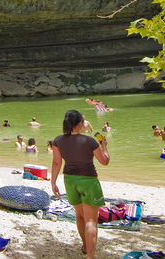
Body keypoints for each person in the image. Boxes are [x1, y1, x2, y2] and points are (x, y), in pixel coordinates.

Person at [51, 110, 110, 259]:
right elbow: (104, 161)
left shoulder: (58, 140)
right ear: (80, 123)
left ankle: (85, 245)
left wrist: (53, 182)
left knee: (79, 215)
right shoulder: (89, 141)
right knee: (91, 219)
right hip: (89, 181)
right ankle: (90, 256)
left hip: (70, 180)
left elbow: (57, 162)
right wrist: (104, 146)